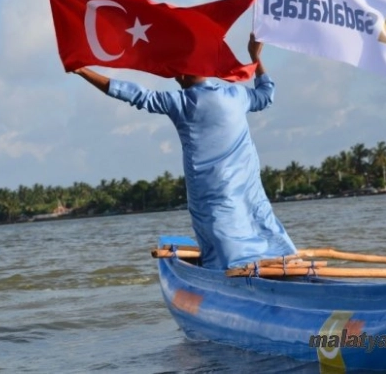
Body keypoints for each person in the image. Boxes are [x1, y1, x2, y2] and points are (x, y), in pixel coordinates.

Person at [71, 33, 297, 270]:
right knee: (260, 222)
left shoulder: (180, 102)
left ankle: (231, 273)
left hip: (211, 190)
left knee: (222, 237)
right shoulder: (237, 94)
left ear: (182, 74)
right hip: (247, 184)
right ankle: (283, 260)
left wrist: (83, 71)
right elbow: (266, 95)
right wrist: (255, 57)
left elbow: (132, 94)